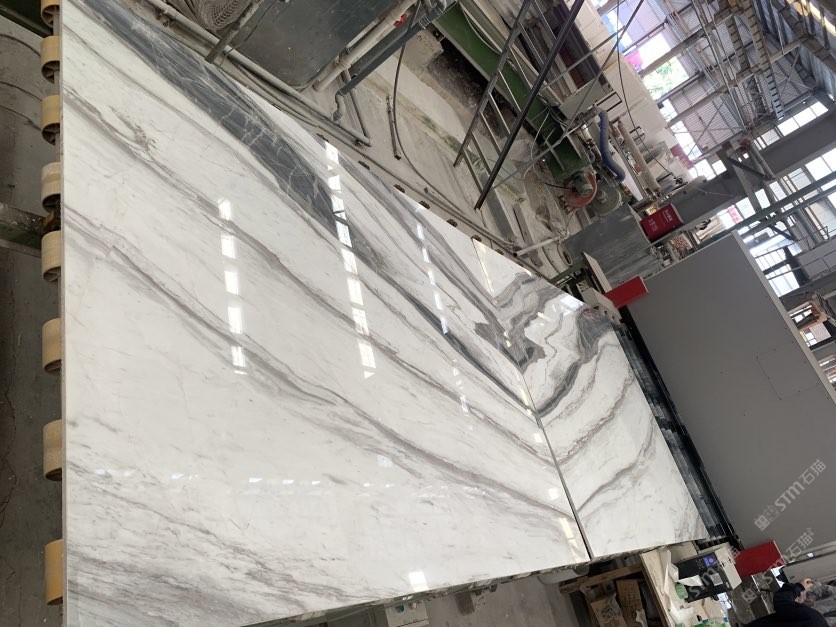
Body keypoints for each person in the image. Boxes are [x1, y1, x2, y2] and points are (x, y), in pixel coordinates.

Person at [748, 578, 829, 626]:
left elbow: (782, 601)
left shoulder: (815, 619)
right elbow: (822, 590)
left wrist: (799, 587)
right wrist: (809, 600)